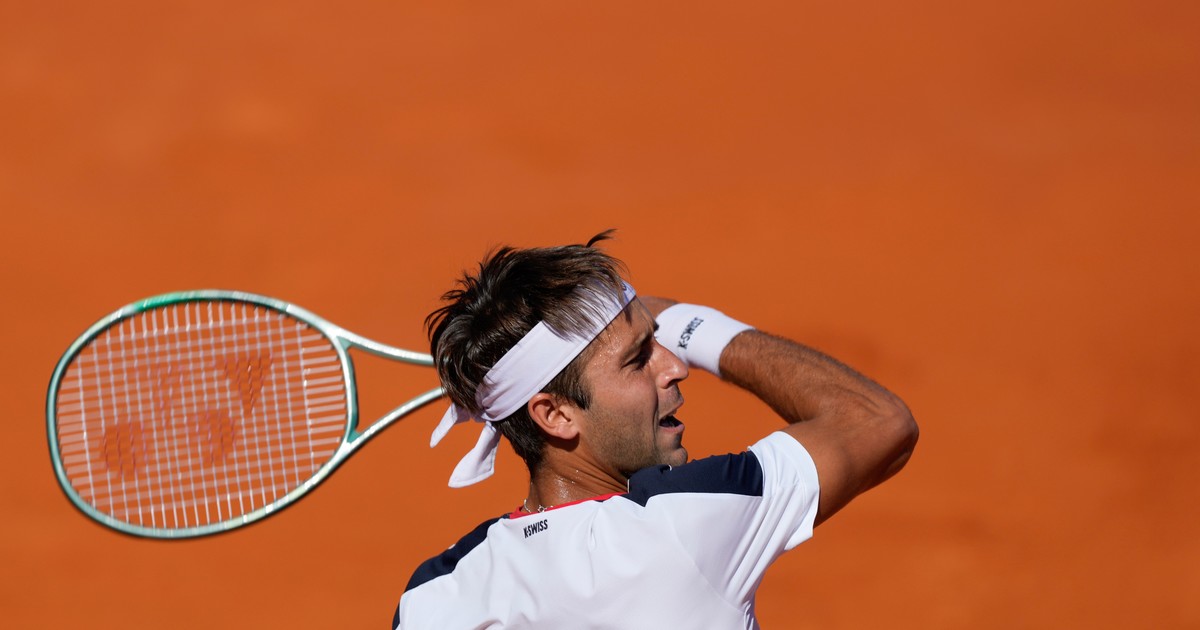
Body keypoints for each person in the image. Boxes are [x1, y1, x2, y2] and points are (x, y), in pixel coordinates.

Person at [393, 232, 918, 629]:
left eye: (659, 341)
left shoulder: (434, 597)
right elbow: (879, 422)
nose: (675, 366)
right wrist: (687, 324)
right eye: (638, 357)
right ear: (555, 415)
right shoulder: (678, 522)